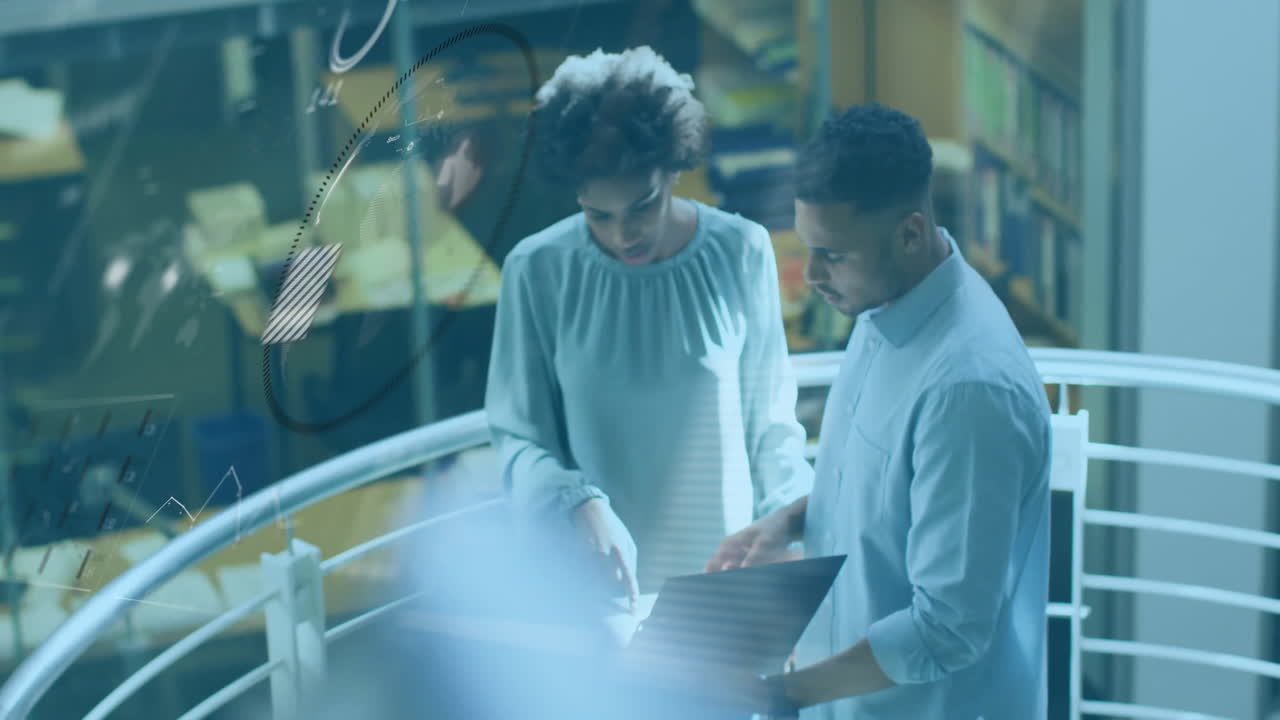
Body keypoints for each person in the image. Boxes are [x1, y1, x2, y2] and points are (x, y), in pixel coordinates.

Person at [706, 103, 1053, 720]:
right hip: (832, 696)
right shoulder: (883, 301)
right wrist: (786, 521)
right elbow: (878, 489)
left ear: (910, 234)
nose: (812, 274)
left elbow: (946, 630)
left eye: (832, 254)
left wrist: (781, 696)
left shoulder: (969, 391)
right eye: (808, 247)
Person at [484, 46, 813, 625]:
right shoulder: (537, 270)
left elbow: (772, 429)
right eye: (599, 215)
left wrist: (787, 533)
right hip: (597, 592)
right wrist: (575, 500)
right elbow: (518, 439)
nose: (624, 234)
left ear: (674, 169)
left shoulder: (741, 251)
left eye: (642, 205)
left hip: (726, 583)